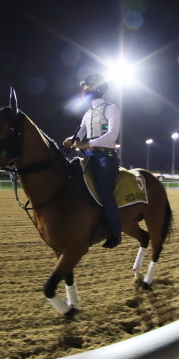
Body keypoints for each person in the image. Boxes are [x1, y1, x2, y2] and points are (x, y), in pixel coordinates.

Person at [63, 73, 122, 249]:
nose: (84, 90)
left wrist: (87, 143)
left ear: (98, 88)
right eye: (83, 87)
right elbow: (79, 135)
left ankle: (116, 233)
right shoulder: (87, 114)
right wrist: (70, 140)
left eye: (87, 86)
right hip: (89, 156)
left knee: (104, 190)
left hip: (106, 157)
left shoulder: (111, 108)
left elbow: (112, 135)